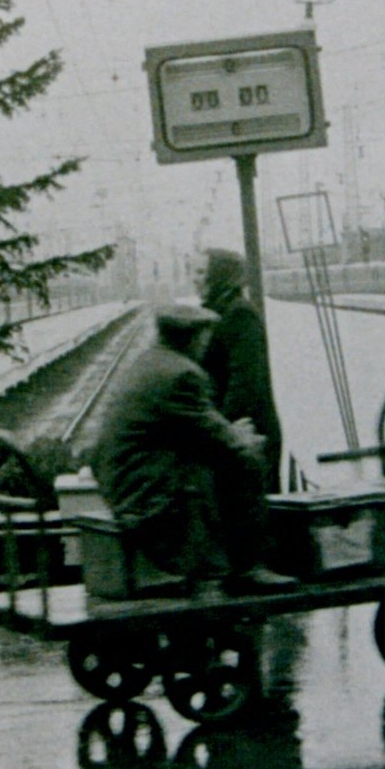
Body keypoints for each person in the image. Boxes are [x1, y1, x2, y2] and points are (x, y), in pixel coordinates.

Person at [92, 303, 289, 595]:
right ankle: (249, 568)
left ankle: (234, 563)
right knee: (246, 460)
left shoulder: (148, 362)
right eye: (206, 338)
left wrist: (229, 436)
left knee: (221, 457)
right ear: (196, 338)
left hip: (126, 489)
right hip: (152, 501)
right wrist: (245, 440)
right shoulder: (182, 375)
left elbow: (198, 433)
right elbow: (228, 441)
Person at [198, 250, 284, 487]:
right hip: (235, 435)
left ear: (219, 276)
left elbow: (244, 383)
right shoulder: (218, 313)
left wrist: (224, 430)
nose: (195, 279)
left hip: (250, 434)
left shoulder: (240, 315)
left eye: (201, 272)